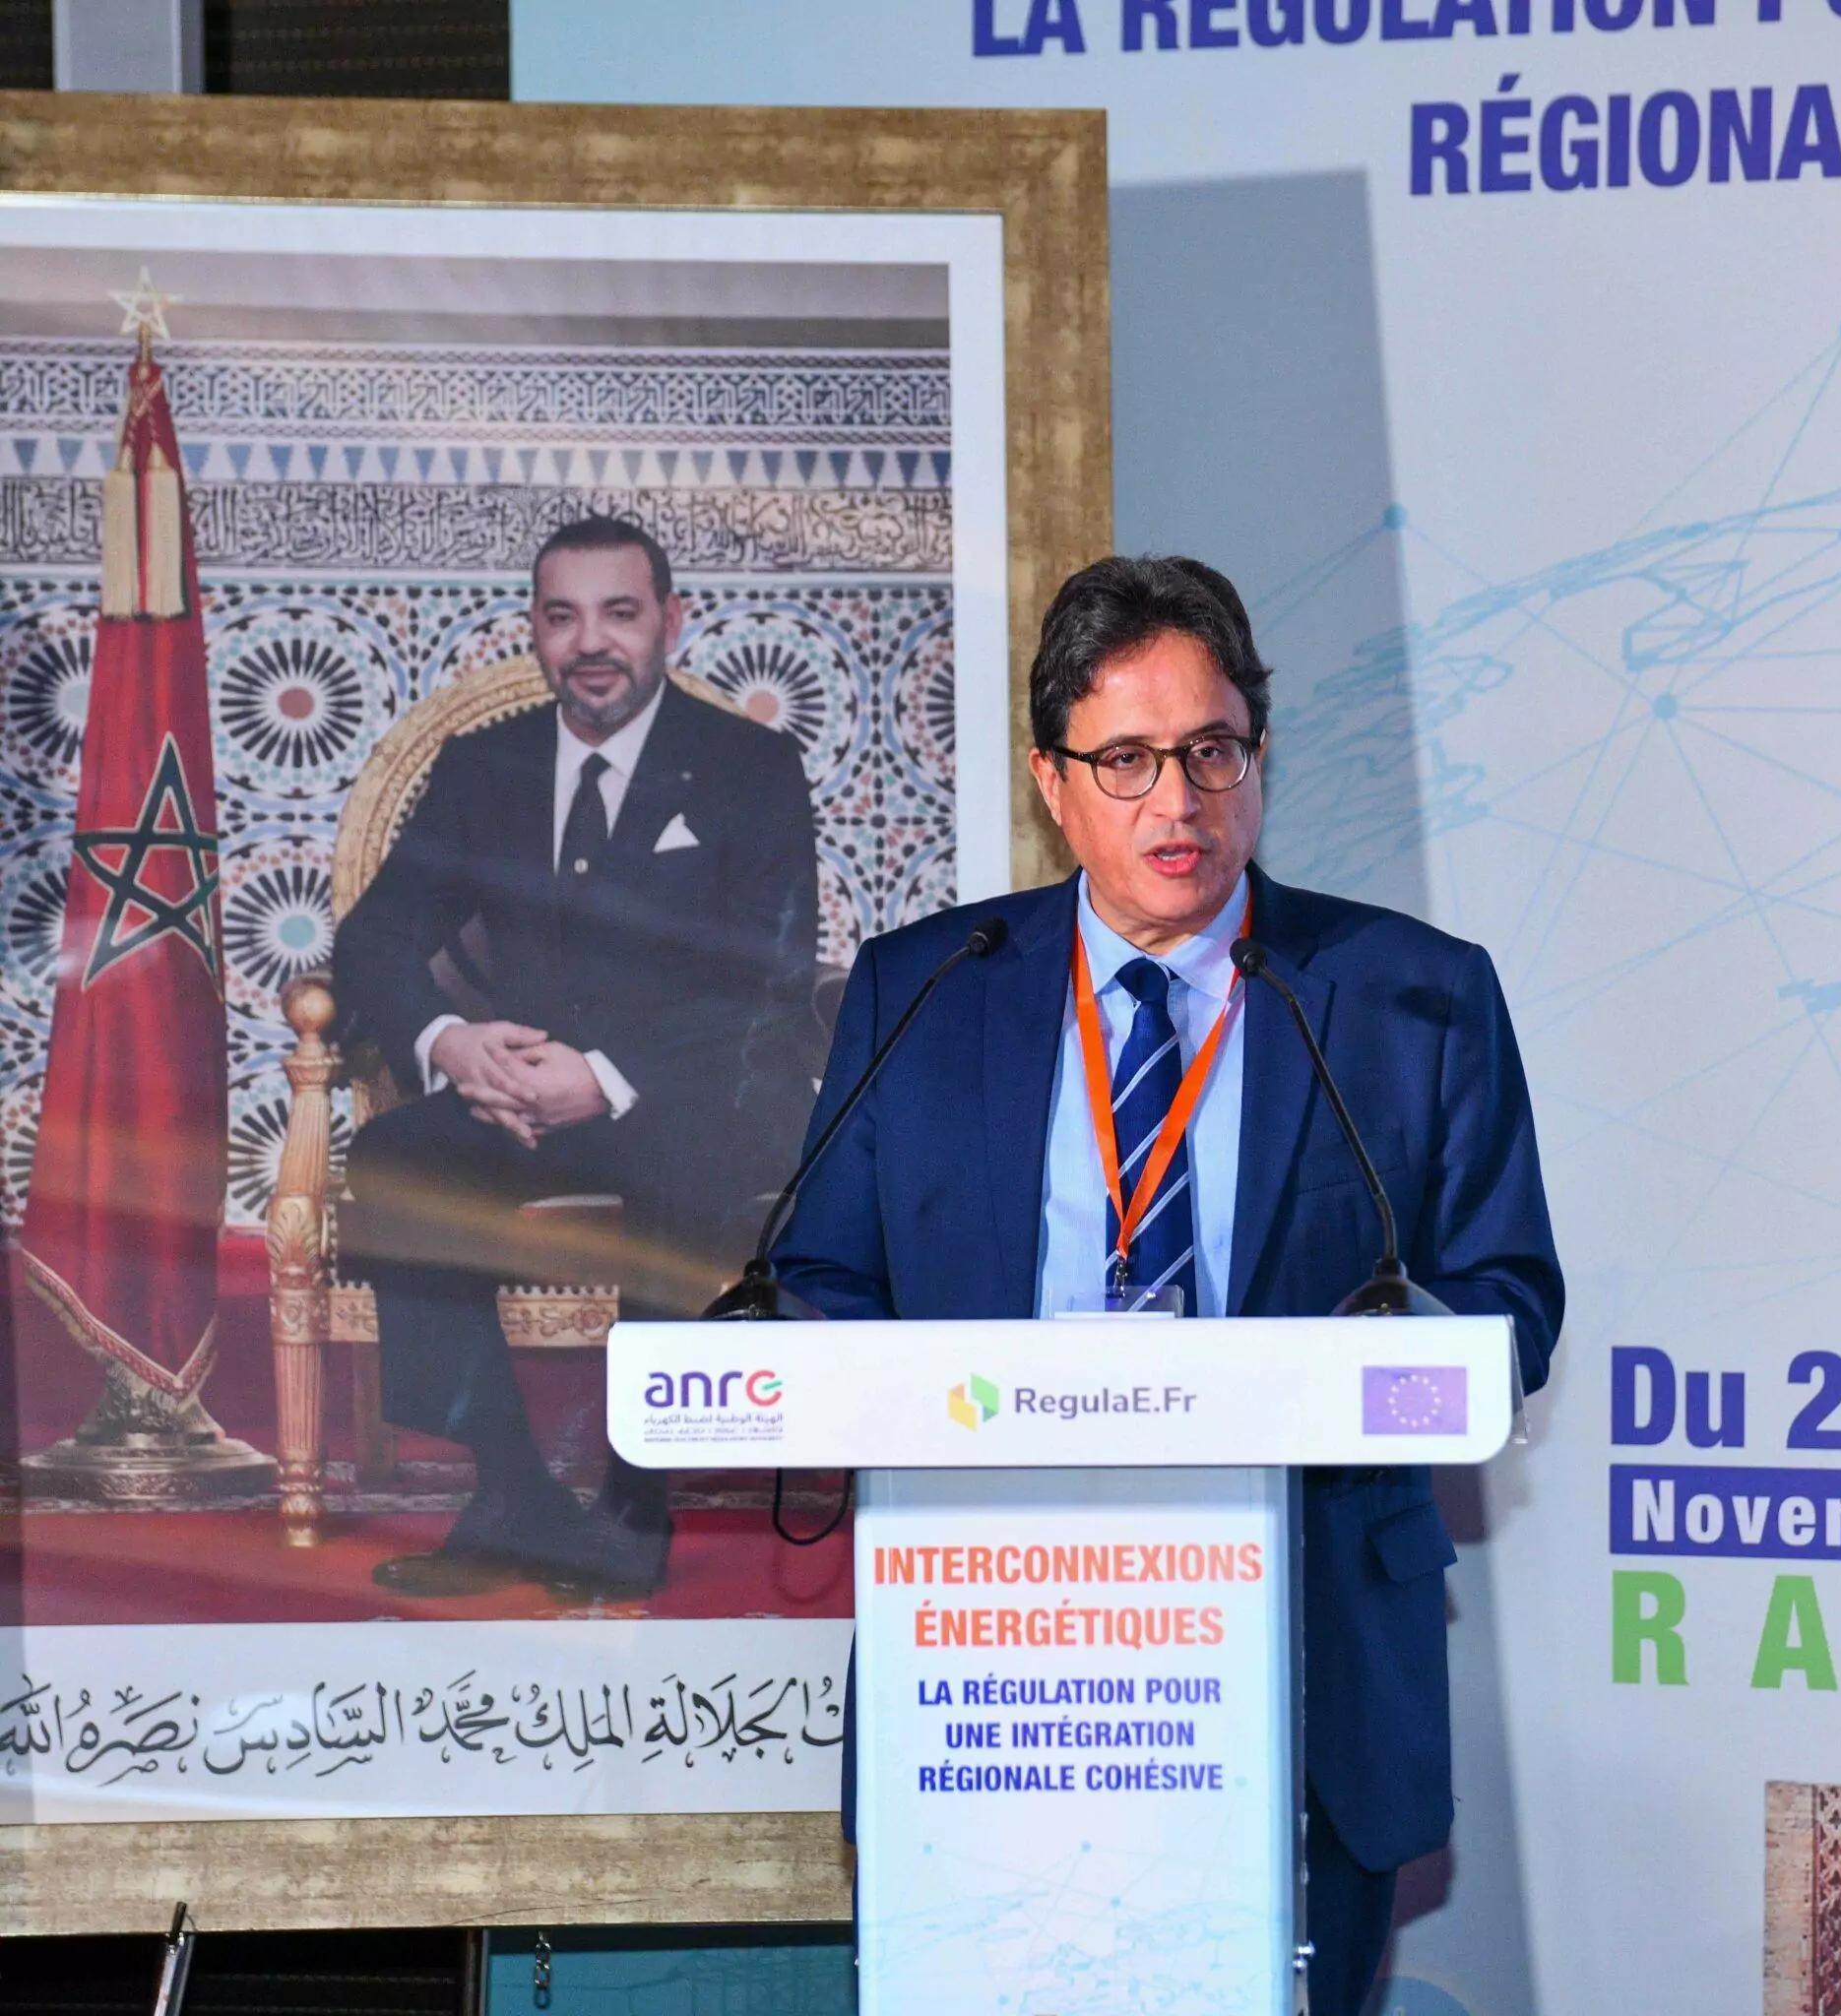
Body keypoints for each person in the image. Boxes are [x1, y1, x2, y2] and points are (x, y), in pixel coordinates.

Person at [772, 554, 1563, 2012]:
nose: (1178, 801)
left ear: (1258, 752)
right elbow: (822, 1270)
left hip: (1308, 1655)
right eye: (1126, 760)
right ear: (1051, 780)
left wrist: (1373, 1356)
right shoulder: (925, 989)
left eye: (1212, 751)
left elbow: (1509, 1300)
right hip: (993, 1661)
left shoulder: (1409, 994)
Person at [335, 515, 820, 1599]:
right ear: (535, 630)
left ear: (670, 622)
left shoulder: (749, 766)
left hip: (690, 1090)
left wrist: (600, 1077)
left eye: (619, 612)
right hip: (520, 1098)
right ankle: (509, 1490)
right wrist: (455, 1044)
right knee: (398, 1156)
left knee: (684, 1158)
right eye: (563, 616)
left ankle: (633, 1503)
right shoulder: (485, 766)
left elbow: (768, 976)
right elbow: (373, 936)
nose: (591, 641)